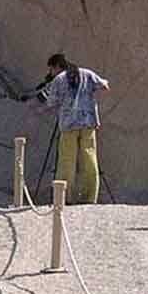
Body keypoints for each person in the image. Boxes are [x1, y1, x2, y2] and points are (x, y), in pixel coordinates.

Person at [41, 53, 110, 204]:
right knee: (89, 159)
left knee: (67, 161)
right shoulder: (87, 73)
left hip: (69, 125)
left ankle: (65, 198)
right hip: (88, 122)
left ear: (57, 66)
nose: (51, 73)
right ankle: (89, 197)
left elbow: (50, 102)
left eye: (51, 69)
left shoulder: (59, 80)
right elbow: (104, 86)